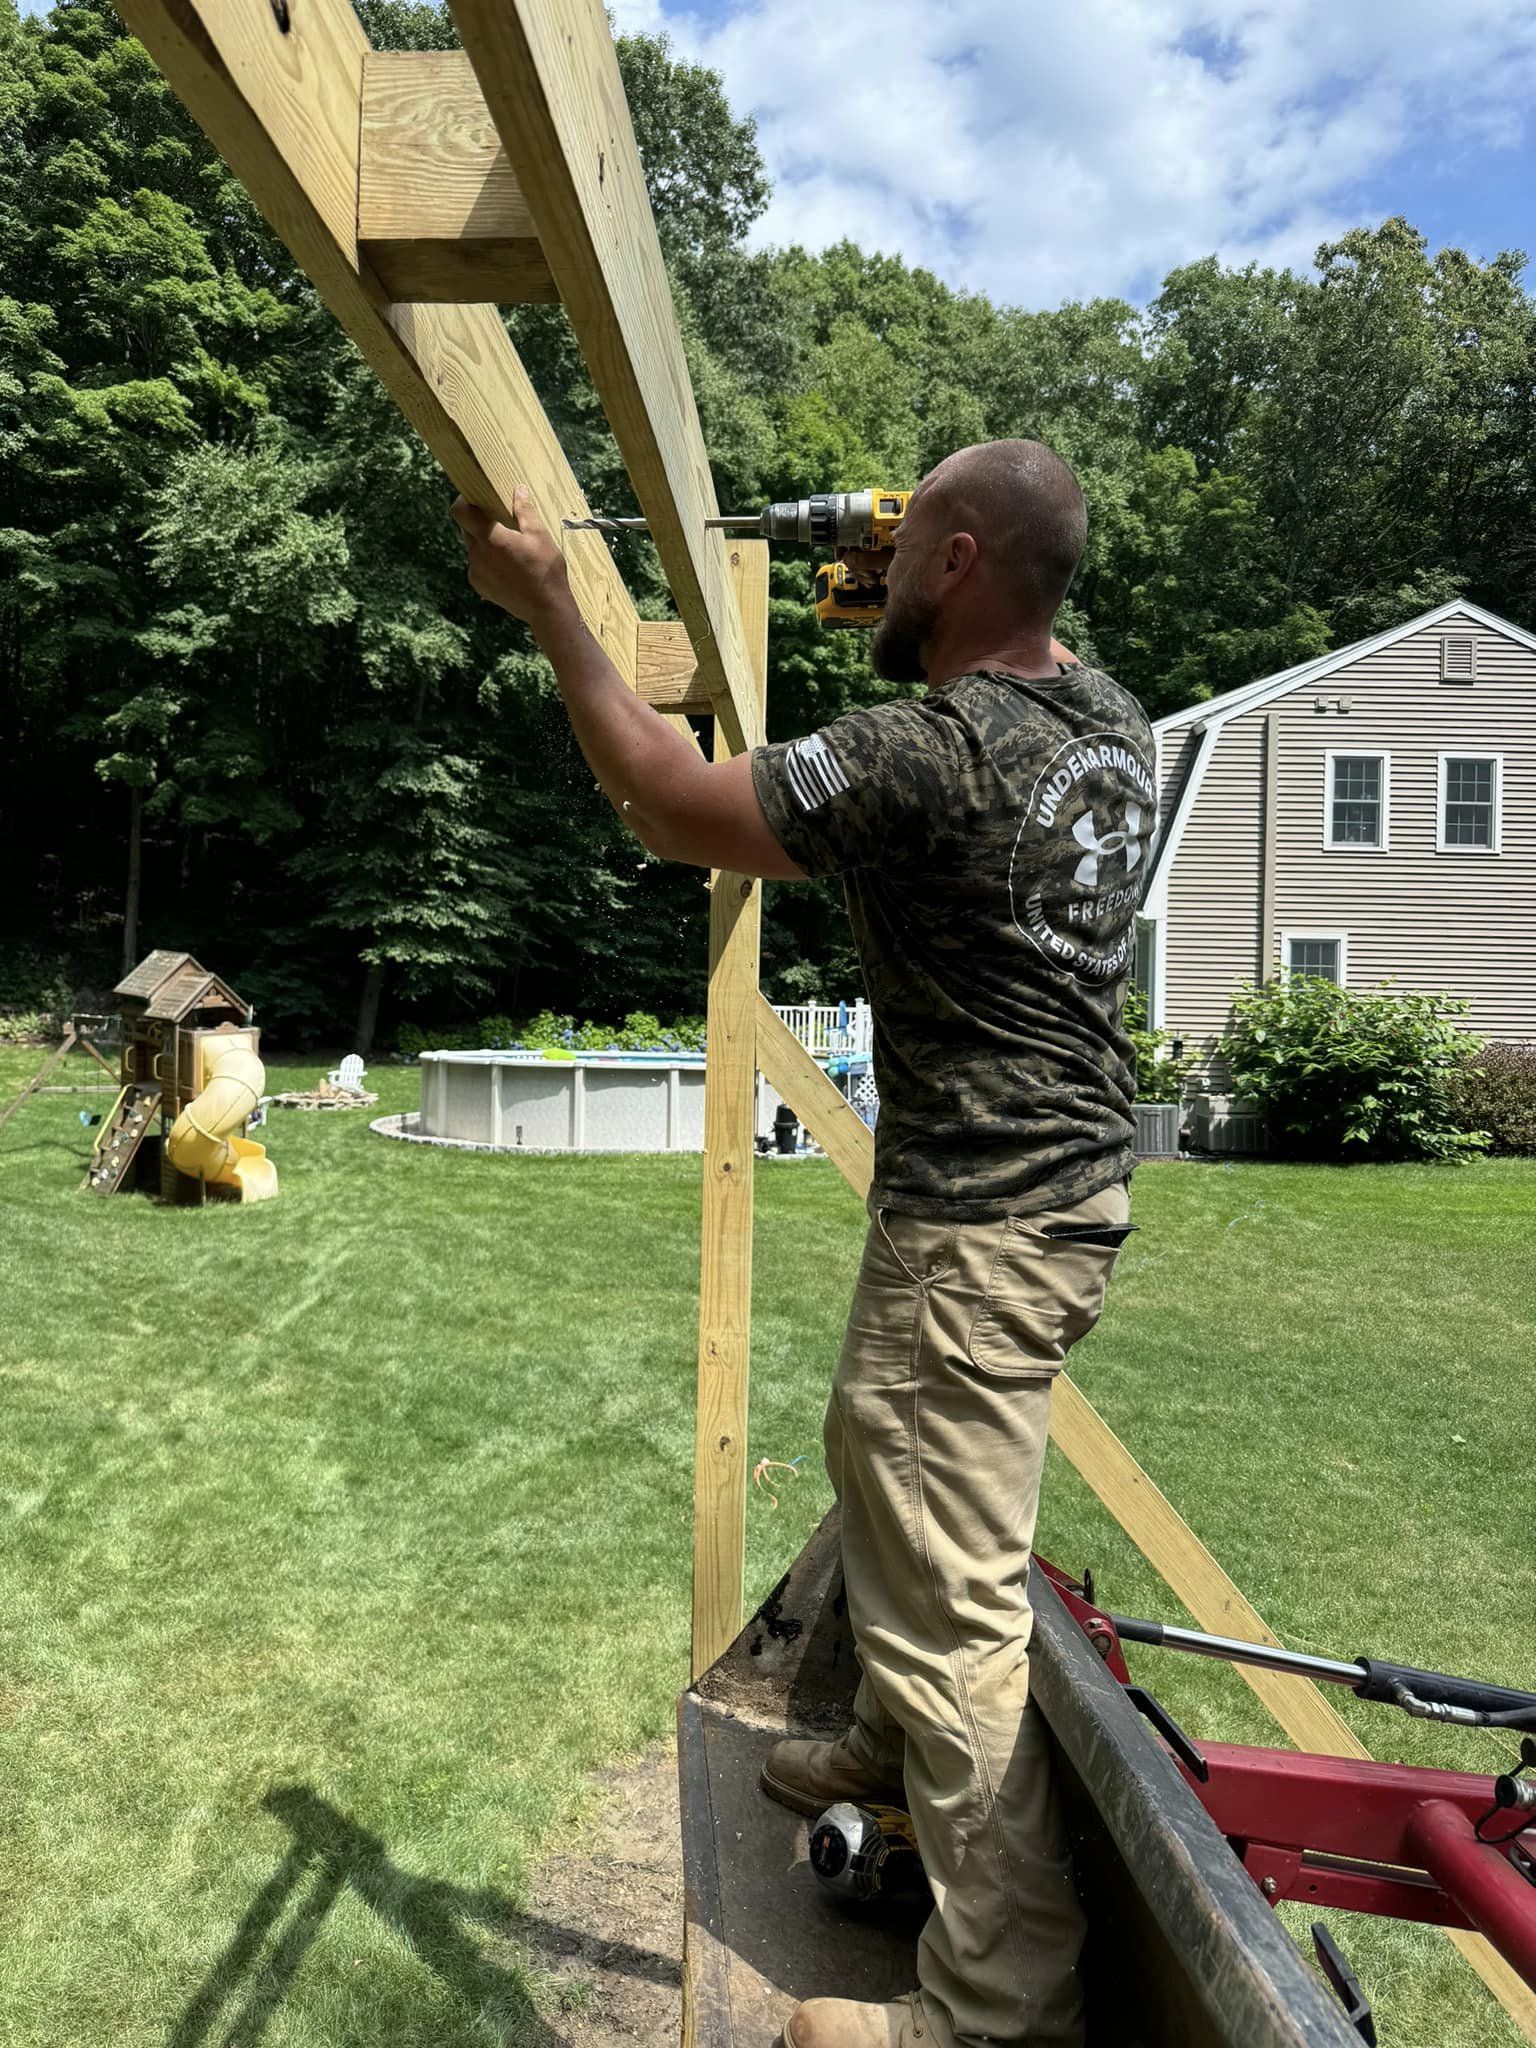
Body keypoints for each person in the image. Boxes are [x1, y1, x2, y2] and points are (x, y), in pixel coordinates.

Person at [453, 440, 1156, 2048]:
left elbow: (671, 803)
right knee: (882, 1458)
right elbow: (957, 695)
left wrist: (558, 603)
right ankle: (888, 1753)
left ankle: (994, 2007)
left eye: (913, 537)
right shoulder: (1105, 718)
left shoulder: (928, 751)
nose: (879, 551)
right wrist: (905, 610)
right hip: (1059, 1197)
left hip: (979, 1219)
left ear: (964, 559)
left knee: (955, 1602)